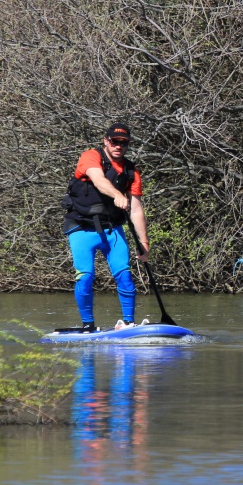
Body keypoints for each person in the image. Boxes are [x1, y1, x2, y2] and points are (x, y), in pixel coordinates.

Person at [61, 123, 149, 332]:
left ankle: (128, 323)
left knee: (124, 274)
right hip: (81, 228)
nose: (119, 146)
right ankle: (88, 326)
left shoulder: (131, 172)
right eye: (114, 141)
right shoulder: (90, 156)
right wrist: (118, 195)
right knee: (86, 275)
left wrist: (144, 243)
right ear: (106, 141)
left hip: (112, 230)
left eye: (124, 143)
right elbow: (99, 180)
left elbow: (136, 210)